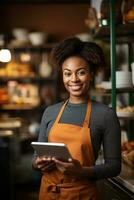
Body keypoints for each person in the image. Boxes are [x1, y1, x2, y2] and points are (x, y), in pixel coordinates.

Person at [32, 37, 121, 200]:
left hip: (82, 194)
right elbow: (34, 158)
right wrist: (38, 163)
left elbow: (115, 167)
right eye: (67, 73)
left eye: (81, 72)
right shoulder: (50, 112)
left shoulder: (105, 115)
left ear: (91, 74)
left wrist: (82, 171)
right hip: (48, 192)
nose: (74, 79)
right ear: (62, 76)